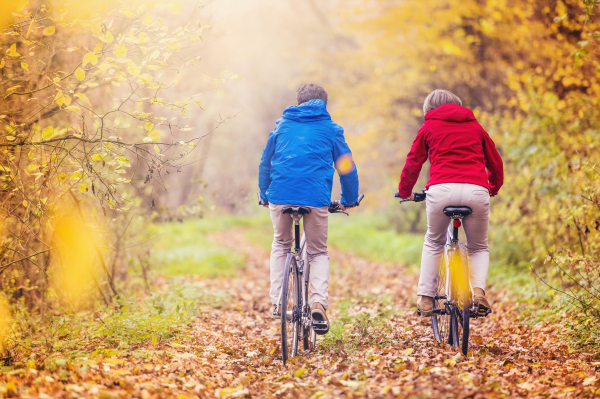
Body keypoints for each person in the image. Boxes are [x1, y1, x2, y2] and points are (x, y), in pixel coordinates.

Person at [258, 84, 359, 334]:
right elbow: (346, 167)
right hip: (315, 198)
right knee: (317, 252)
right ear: (324, 104)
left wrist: (264, 193)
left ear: (298, 102)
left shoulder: (282, 126)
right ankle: (317, 303)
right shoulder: (331, 129)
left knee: (281, 244)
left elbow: (265, 162)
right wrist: (349, 198)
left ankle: (279, 303)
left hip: (279, 196)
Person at [398, 89, 504, 317]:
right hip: (477, 189)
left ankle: (426, 298)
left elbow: (413, 162)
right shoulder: (475, 126)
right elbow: (495, 161)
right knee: (478, 247)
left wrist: (405, 191)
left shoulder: (428, 127)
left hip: (441, 190)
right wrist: (492, 187)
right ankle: (477, 293)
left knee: (434, 242)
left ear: (429, 109)